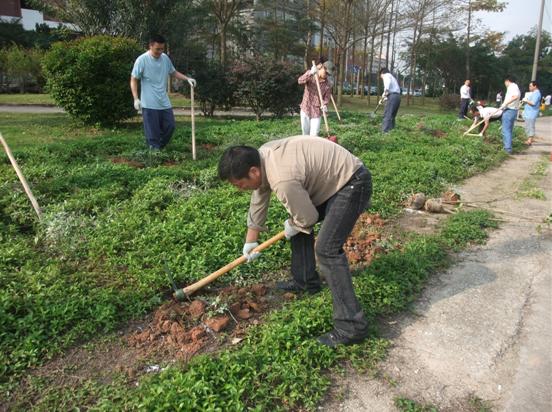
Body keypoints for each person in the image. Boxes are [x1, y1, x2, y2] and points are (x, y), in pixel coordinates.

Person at [218, 137, 372, 347]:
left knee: (326, 250)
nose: (240, 188)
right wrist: (251, 240)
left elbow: (307, 218)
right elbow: (259, 195)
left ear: (253, 172)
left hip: (352, 182)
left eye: (239, 184)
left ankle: (352, 327)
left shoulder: (282, 180)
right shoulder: (262, 156)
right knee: (297, 222)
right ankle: (305, 281)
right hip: (331, 181)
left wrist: (296, 223)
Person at [130, 35, 196, 150]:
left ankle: (159, 148)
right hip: (149, 103)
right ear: (150, 46)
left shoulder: (165, 58)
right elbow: (133, 79)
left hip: (164, 102)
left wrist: (187, 79)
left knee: (170, 126)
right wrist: (136, 98)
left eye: (162, 49)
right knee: (153, 133)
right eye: (157, 49)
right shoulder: (142, 60)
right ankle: (154, 152)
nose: (160, 52)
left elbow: (173, 72)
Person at [297, 58, 334, 136]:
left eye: (328, 74)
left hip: (316, 112)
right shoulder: (311, 75)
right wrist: (310, 72)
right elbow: (300, 81)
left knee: (314, 135)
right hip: (305, 108)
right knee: (305, 134)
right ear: (322, 67)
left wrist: (325, 104)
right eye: (326, 72)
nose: (326, 75)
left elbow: (326, 98)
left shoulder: (327, 84)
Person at [499, 75, 520, 154]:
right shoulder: (514, 87)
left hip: (510, 110)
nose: (505, 84)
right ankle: (508, 147)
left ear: (507, 81)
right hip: (511, 110)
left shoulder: (512, 87)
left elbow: (515, 96)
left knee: (506, 130)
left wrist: (505, 104)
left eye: (505, 82)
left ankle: (507, 149)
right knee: (508, 130)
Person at [379, 67, 401, 132]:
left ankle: (385, 132)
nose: (381, 77)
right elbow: (388, 91)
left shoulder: (386, 75)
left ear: (382, 73)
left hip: (392, 97)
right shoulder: (392, 77)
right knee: (392, 116)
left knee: (387, 115)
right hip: (397, 97)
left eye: (380, 76)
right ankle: (391, 131)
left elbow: (387, 88)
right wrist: (382, 99)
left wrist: (383, 96)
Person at [521, 81, 542, 145]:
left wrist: (526, 100)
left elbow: (533, 103)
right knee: (528, 126)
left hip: (531, 113)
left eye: (530, 86)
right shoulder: (534, 93)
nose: (529, 87)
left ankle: (529, 140)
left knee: (530, 126)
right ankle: (530, 139)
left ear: (535, 86)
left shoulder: (537, 93)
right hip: (529, 112)